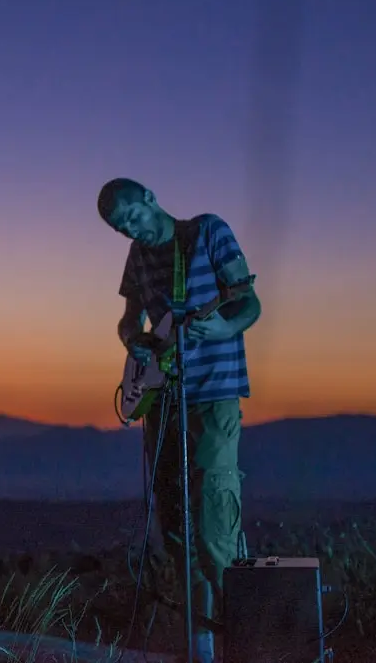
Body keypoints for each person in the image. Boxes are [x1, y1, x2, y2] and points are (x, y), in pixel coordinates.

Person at [97, 178, 262, 663]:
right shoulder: (137, 257)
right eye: (119, 227)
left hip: (213, 397)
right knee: (175, 530)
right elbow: (129, 320)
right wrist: (135, 341)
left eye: (132, 217)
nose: (130, 230)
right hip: (164, 400)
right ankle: (201, 647)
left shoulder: (208, 232)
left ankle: (246, 646)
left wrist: (225, 326)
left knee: (214, 528)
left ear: (150, 198)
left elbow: (248, 302)